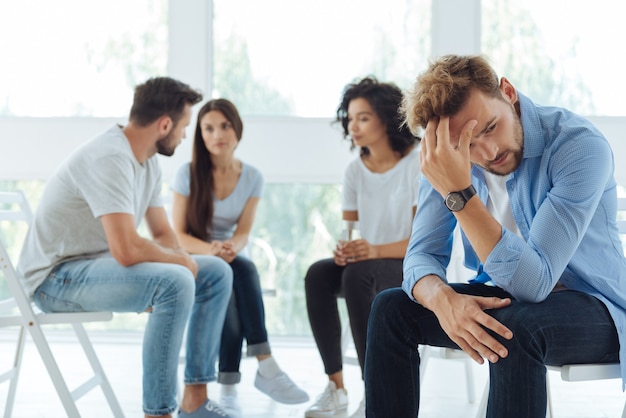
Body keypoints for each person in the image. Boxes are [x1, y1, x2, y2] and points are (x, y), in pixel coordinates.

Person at [364, 54, 626, 417]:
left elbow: (534, 283)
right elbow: (420, 256)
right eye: (466, 145)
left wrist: (459, 194)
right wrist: (441, 298)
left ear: (508, 92)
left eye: (489, 127)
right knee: (391, 308)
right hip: (509, 302)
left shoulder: (578, 146)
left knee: (515, 327)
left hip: (598, 307)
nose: (488, 152)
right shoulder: (445, 160)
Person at [17, 77, 235, 418]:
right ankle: (158, 413)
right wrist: (178, 262)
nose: (182, 136)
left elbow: (162, 233)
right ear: (165, 124)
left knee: (216, 273)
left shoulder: (146, 161)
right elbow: (127, 250)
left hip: (94, 267)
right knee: (175, 283)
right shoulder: (109, 157)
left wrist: (178, 258)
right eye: (183, 127)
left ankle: (194, 399)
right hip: (55, 279)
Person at [170, 98, 309, 417]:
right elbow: (177, 235)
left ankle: (229, 388)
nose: (217, 134)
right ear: (200, 135)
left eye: (224, 126)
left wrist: (231, 244)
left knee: (235, 295)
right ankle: (266, 365)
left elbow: (244, 231)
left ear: (237, 129)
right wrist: (213, 250)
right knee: (241, 270)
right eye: (208, 128)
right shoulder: (187, 174)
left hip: (230, 256)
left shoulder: (252, 177)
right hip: (195, 257)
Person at [304, 76, 420, 418]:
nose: (353, 126)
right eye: (350, 118)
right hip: (369, 263)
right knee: (319, 275)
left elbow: (421, 240)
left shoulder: (417, 163)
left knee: (357, 274)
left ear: (386, 118)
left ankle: (375, 390)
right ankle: (336, 388)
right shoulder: (355, 170)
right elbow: (350, 231)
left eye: (363, 117)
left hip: (412, 263)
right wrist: (346, 249)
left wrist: (370, 251)